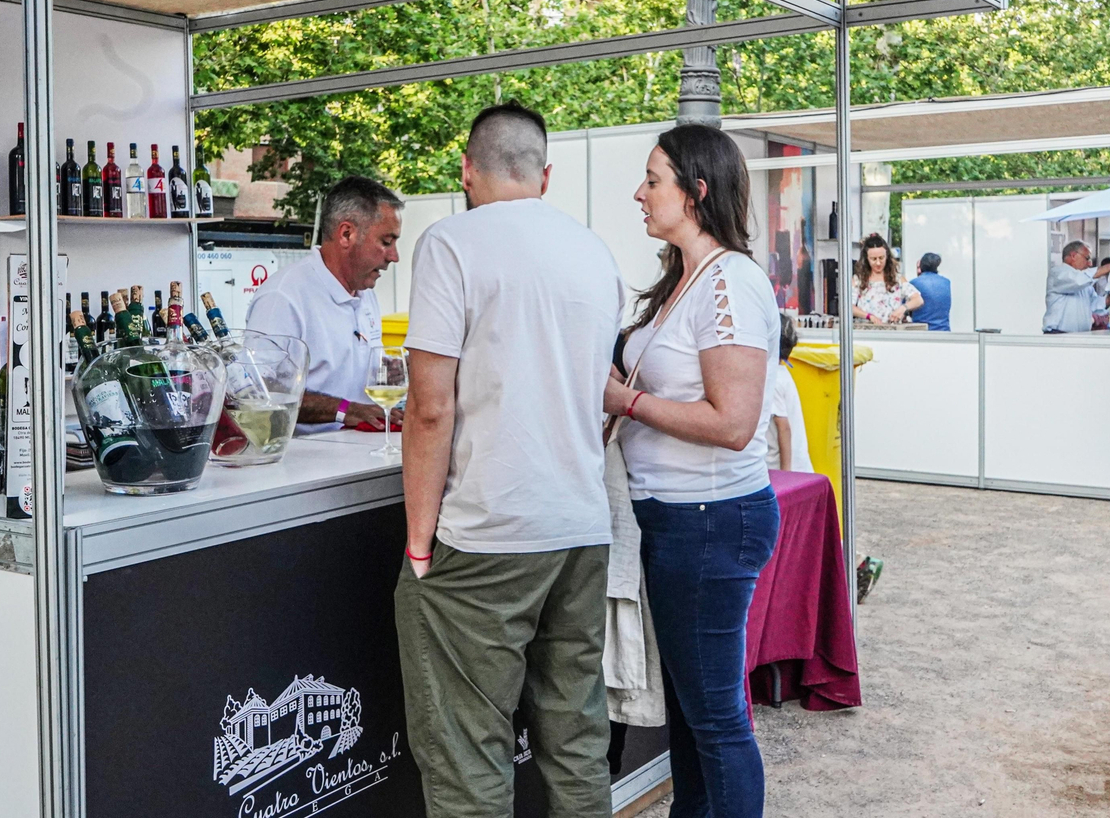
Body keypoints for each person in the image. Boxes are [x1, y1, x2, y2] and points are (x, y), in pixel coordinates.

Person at [397, 102, 625, 818]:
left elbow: (430, 408)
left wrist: (418, 543)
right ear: (546, 175)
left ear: (467, 169)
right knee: (577, 734)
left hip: (490, 527)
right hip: (581, 525)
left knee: (469, 749)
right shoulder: (594, 251)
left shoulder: (451, 243)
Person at [602, 124, 780, 818]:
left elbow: (734, 425)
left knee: (715, 722)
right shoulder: (686, 279)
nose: (640, 193)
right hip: (673, 521)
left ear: (696, 191)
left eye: (654, 179)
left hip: (706, 522)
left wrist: (629, 401)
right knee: (690, 718)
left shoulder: (730, 282)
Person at [246, 175, 402, 434]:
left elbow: (353, 377)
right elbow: (259, 391)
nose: (394, 256)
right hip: (306, 461)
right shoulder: (283, 297)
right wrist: (345, 411)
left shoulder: (365, 293)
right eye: (386, 242)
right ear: (346, 234)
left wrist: (386, 373)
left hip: (361, 452)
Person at [1043, 241, 1110, 333]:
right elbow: (1077, 281)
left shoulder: (1084, 281)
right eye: (1087, 258)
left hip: (1081, 335)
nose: (1090, 264)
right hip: (1058, 335)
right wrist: (1109, 268)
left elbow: (1094, 305)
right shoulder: (1058, 273)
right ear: (1073, 256)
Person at [765, 316, 813, 472]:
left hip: (782, 469)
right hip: (798, 466)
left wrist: (786, 473)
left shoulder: (771, 380)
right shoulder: (782, 372)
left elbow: (783, 428)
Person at [852, 234, 922, 324]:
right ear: (866, 259)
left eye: (881, 258)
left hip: (892, 332)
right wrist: (868, 316)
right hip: (866, 331)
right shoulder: (858, 280)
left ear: (887, 257)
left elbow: (918, 299)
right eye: (873, 259)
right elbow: (848, 307)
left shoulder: (897, 278)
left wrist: (903, 308)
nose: (878, 263)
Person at [908, 253, 952, 331]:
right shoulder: (946, 282)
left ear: (921, 266)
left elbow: (906, 308)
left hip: (922, 332)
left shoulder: (914, 283)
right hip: (944, 331)